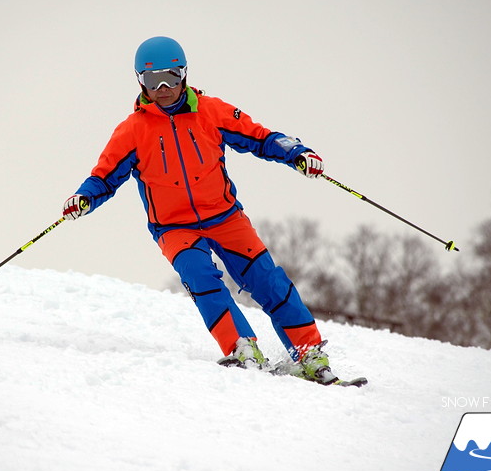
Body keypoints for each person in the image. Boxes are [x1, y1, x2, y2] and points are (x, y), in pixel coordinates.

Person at [63, 36, 342, 384]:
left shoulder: (211, 111)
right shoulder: (132, 131)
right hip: (174, 227)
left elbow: (259, 137)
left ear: (184, 74)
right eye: (152, 81)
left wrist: (296, 152)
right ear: (140, 82)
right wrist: (83, 198)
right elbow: (103, 178)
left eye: (170, 77)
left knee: (269, 280)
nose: (162, 88)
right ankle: (241, 346)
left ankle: (308, 354)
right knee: (201, 278)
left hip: (225, 217)